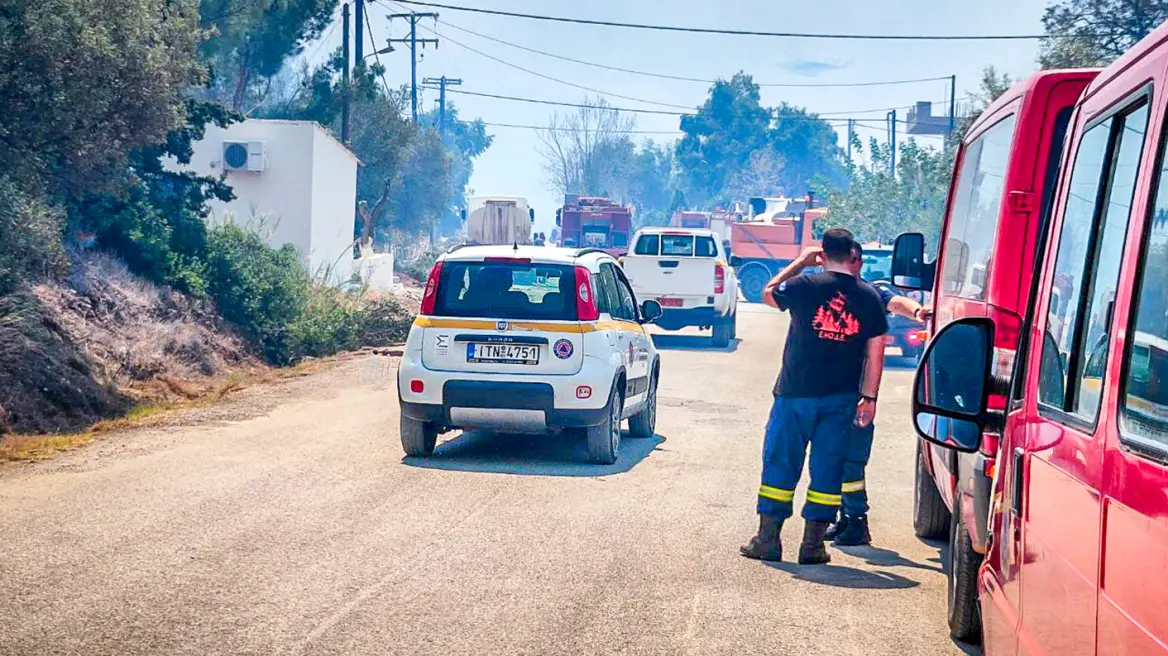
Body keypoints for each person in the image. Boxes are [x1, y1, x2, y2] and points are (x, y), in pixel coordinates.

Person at [740, 229, 889, 564]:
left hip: (795, 393)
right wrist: (869, 398)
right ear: (853, 255)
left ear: (822, 254)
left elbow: (767, 293)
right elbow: (876, 353)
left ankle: (768, 540)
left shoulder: (802, 286)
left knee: (780, 462)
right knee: (828, 468)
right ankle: (812, 546)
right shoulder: (869, 297)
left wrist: (799, 262)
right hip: (841, 399)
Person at [825, 242, 932, 546]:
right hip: (826, 389)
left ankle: (856, 520)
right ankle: (845, 517)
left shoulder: (868, 293)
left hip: (857, 389)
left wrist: (919, 312)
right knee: (832, 458)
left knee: (852, 458)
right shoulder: (822, 289)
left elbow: (897, 302)